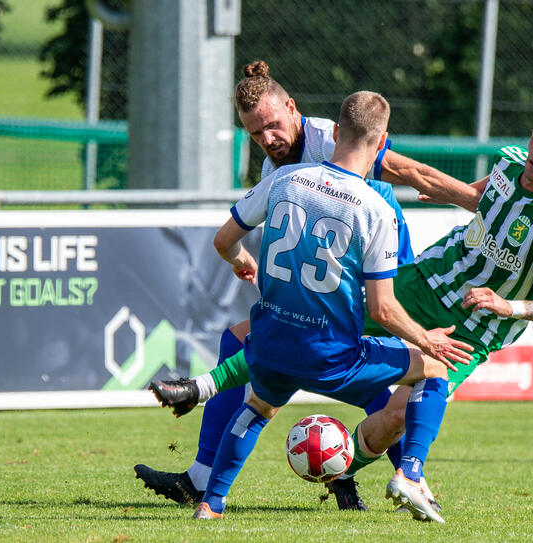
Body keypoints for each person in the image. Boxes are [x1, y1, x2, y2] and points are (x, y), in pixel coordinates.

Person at [154, 104, 533, 511]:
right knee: (249, 333)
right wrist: (445, 193)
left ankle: (352, 472)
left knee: (397, 414)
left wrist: (507, 305)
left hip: (473, 326)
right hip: (420, 284)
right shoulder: (509, 160)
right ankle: (202, 472)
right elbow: (480, 197)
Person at [133, 60, 473, 508]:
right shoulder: (276, 171)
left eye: (273, 126)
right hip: (336, 286)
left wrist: (476, 200)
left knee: (315, 362)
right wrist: (252, 265)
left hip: (380, 279)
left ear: (293, 109)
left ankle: (391, 474)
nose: (267, 139)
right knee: (267, 347)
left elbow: (412, 172)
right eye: (256, 134)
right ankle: (360, 475)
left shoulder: (334, 136)